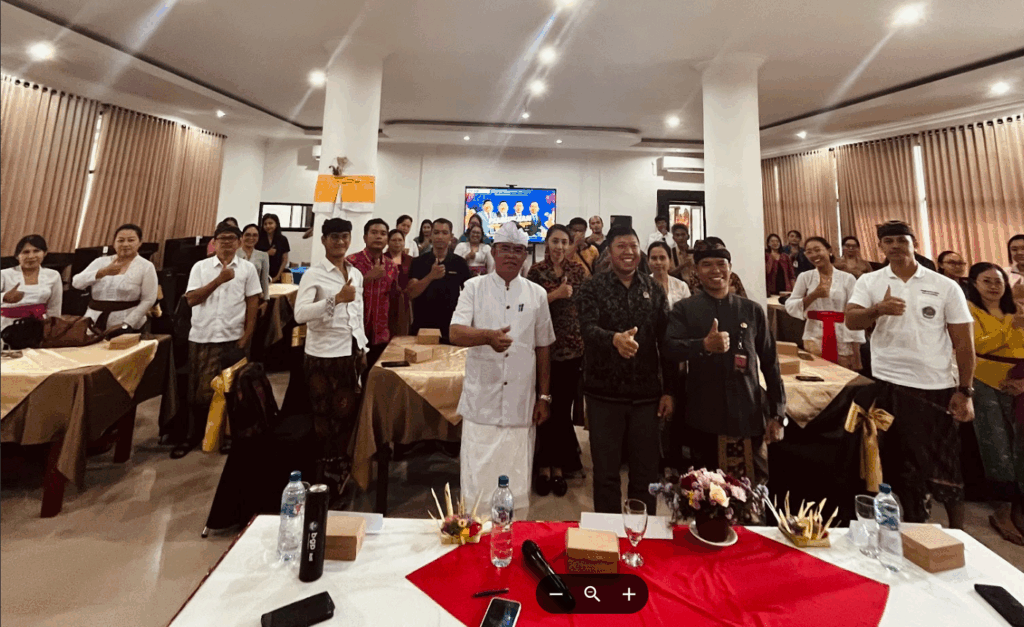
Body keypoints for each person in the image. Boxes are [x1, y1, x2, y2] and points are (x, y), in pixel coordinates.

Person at [845, 220, 976, 526]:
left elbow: (964, 343)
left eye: (901, 240)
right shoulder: (870, 281)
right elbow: (851, 320)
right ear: (880, 246)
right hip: (887, 384)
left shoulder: (944, 285)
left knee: (944, 466)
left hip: (934, 386)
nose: (895, 246)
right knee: (897, 464)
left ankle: (960, 533)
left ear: (914, 243)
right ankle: (912, 526)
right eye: (888, 241)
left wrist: (965, 390)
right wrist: (877, 310)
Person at [451, 222, 556, 516]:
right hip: (481, 403)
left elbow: (543, 347)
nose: (511, 255)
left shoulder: (537, 294)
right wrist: (487, 336)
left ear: (525, 255)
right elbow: (455, 332)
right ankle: (473, 533)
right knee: (476, 483)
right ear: (494, 252)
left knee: (516, 481)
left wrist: (544, 397)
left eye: (518, 250)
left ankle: (512, 535)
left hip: (521, 403)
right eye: (505, 249)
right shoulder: (474, 288)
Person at [664, 247, 786, 496]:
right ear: (697, 271)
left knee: (749, 495)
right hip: (703, 416)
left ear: (730, 268)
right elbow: (669, 349)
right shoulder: (684, 309)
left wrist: (778, 413)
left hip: (747, 413)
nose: (715, 270)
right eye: (707, 264)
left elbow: (770, 363)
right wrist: (702, 346)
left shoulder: (752, 310)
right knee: (705, 495)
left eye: (721, 263)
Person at [577, 225, 674, 514]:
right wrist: (614, 339)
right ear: (609, 251)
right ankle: (607, 535)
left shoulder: (653, 289)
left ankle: (642, 532)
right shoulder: (592, 287)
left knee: (645, 474)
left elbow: (665, 341)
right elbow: (586, 328)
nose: (628, 252)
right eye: (621, 246)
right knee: (606, 474)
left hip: (646, 396)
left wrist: (669, 390)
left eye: (633, 246)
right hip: (603, 395)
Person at [294, 218, 368, 493]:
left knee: (346, 416)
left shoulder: (355, 274)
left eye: (344, 236)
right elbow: (299, 314)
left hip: (350, 353)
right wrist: (335, 299)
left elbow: (356, 314)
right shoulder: (314, 274)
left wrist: (362, 348)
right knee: (324, 419)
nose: (340, 241)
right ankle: (324, 477)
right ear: (324, 240)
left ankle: (342, 469)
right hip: (322, 356)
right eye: (334, 236)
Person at [177, 222, 261, 458]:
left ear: (239, 243)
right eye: (222, 239)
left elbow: (252, 302)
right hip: (203, 336)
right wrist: (219, 280)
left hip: (233, 338)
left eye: (232, 239)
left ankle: (228, 436)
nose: (227, 243)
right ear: (214, 243)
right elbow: (191, 299)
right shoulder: (200, 267)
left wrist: (247, 335)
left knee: (232, 392)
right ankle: (193, 435)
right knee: (198, 393)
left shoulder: (247, 269)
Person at [966, 262, 1024, 544]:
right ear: (974, 283)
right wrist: (1010, 328)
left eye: (998, 281)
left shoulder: (1017, 308)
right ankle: (1002, 511)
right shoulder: (970, 309)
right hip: (984, 379)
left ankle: (1019, 508)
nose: (993, 286)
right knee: (996, 446)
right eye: (986, 281)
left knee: (1020, 445)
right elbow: (977, 344)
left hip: (1020, 380)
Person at [527, 225, 586, 496]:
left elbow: (585, 305)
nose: (559, 247)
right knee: (543, 408)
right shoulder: (536, 272)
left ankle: (559, 467)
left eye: (564, 242)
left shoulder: (578, 271)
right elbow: (529, 309)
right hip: (543, 349)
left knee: (562, 410)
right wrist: (555, 295)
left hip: (571, 348)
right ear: (547, 243)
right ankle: (542, 467)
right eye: (555, 241)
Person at [785, 237, 864, 369]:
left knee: (843, 376)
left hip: (843, 337)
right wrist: (814, 295)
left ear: (829, 250)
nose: (814, 255)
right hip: (813, 336)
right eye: (809, 252)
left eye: (817, 250)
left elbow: (854, 314)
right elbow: (790, 306)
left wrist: (857, 356)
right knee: (817, 375)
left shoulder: (847, 278)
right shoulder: (805, 277)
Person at [72, 223, 158, 332]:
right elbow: (76, 283)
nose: (125, 244)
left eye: (131, 240)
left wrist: (127, 323)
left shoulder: (146, 266)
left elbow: (148, 299)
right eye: (121, 240)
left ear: (140, 242)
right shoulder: (100, 262)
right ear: (114, 243)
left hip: (126, 322)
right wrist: (102, 272)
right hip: (93, 320)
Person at [346, 218, 400, 378]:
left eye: (383, 233)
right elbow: (343, 293)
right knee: (350, 377)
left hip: (380, 331)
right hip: (354, 330)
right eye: (374, 232)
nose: (378, 237)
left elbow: (394, 299)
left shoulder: (391, 266)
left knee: (374, 377)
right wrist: (367, 277)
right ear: (365, 237)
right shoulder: (351, 262)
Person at [407, 218, 471, 343]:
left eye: (444, 233)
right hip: (422, 326)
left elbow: (469, 296)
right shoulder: (418, 262)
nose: (440, 237)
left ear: (451, 237)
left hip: (451, 327)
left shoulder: (460, 263)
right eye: (436, 233)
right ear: (431, 236)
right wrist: (430, 276)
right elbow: (411, 293)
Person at [1, 235, 63, 332]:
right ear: (17, 256)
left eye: (36, 251)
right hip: (6, 326)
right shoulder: (4, 274)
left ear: (45, 253)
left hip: (39, 326)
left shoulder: (53, 275)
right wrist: (4, 297)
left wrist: (53, 328)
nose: (31, 256)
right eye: (26, 252)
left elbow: (54, 307)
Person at [386, 228, 414, 338]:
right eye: (394, 240)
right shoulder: (382, 259)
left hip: (405, 301)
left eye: (400, 240)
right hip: (386, 301)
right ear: (388, 242)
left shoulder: (410, 260)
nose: (397, 243)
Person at [649, 242, 690, 308]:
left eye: (662, 258)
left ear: (670, 261)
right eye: (654, 258)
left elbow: (688, 311)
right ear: (648, 261)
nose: (658, 262)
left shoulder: (681, 286)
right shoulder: (641, 286)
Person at [238, 224, 270, 300]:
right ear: (242, 236)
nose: (251, 238)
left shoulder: (263, 255)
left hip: (255, 296)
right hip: (237, 294)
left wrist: (266, 299)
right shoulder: (234, 254)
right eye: (248, 235)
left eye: (255, 235)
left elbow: (264, 279)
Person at [256, 213, 291, 283]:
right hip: (260, 274)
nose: (268, 226)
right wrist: (266, 253)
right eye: (265, 224)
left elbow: (284, 260)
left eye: (270, 223)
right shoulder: (258, 239)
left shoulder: (283, 239)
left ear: (276, 224)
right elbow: (254, 256)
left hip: (277, 274)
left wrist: (277, 277)